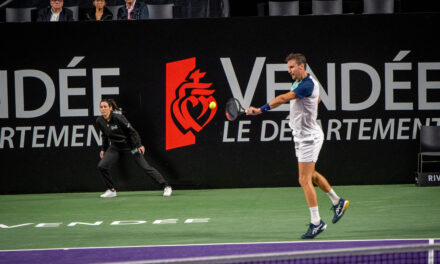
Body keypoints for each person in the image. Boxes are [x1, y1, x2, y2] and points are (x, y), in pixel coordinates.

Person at [246, 53, 349, 239]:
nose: (290, 71)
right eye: (289, 68)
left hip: (308, 137)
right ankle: (337, 201)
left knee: (304, 179)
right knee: (312, 174)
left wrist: (260, 110)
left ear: (302, 66)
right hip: (303, 135)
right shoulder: (304, 83)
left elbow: (284, 98)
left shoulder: (307, 84)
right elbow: (316, 100)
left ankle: (317, 223)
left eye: (292, 67)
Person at [96, 99, 172, 198]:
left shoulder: (119, 118)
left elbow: (132, 132)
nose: (103, 109)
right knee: (102, 166)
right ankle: (111, 190)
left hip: (129, 145)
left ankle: (166, 186)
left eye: (105, 107)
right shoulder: (99, 121)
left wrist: (139, 145)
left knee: (145, 167)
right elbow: (105, 136)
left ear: (110, 108)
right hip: (115, 147)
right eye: (101, 107)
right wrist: (103, 149)